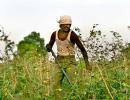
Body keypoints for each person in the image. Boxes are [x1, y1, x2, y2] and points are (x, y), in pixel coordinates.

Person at [46, 15, 92, 99]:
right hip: (59, 60)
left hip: (70, 61)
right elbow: (50, 46)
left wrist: (87, 64)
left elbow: (82, 49)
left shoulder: (72, 35)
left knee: (73, 83)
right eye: (65, 24)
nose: (68, 26)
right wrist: (48, 47)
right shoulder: (54, 34)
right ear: (60, 24)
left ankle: (77, 97)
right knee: (55, 83)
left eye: (69, 24)